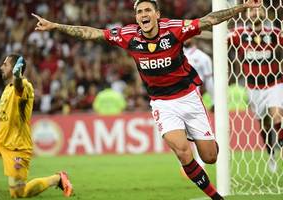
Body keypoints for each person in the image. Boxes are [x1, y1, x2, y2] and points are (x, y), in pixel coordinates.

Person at [32, 0, 261, 199]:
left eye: (147, 10)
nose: (143, 15)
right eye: (139, 12)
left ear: (157, 14)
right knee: (182, 152)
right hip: (162, 102)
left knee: (210, 157)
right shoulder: (128, 35)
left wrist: (243, 7)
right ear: (137, 18)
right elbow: (92, 33)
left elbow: (208, 20)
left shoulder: (174, 29)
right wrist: (55, 26)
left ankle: (202, 139)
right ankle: (216, 197)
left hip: (189, 97)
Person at [0, 54, 73, 198]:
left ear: (16, 68)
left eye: (5, 64)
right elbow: (0, 110)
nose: (1, 67)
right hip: (0, 139)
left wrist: (17, 76)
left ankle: (57, 179)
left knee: (18, 193)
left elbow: (19, 86)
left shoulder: (25, 86)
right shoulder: (8, 88)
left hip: (17, 148)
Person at [228, 7, 283, 173]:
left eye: (258, 10)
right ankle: (271, 153)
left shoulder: (274, 32)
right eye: (251, 10)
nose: (254, 13)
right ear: (245, 14)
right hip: (253, 87)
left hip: (275, 82)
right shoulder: (238, 34)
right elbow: (216, 38)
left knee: (277, 115)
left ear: (265, 13)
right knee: (264, 124)